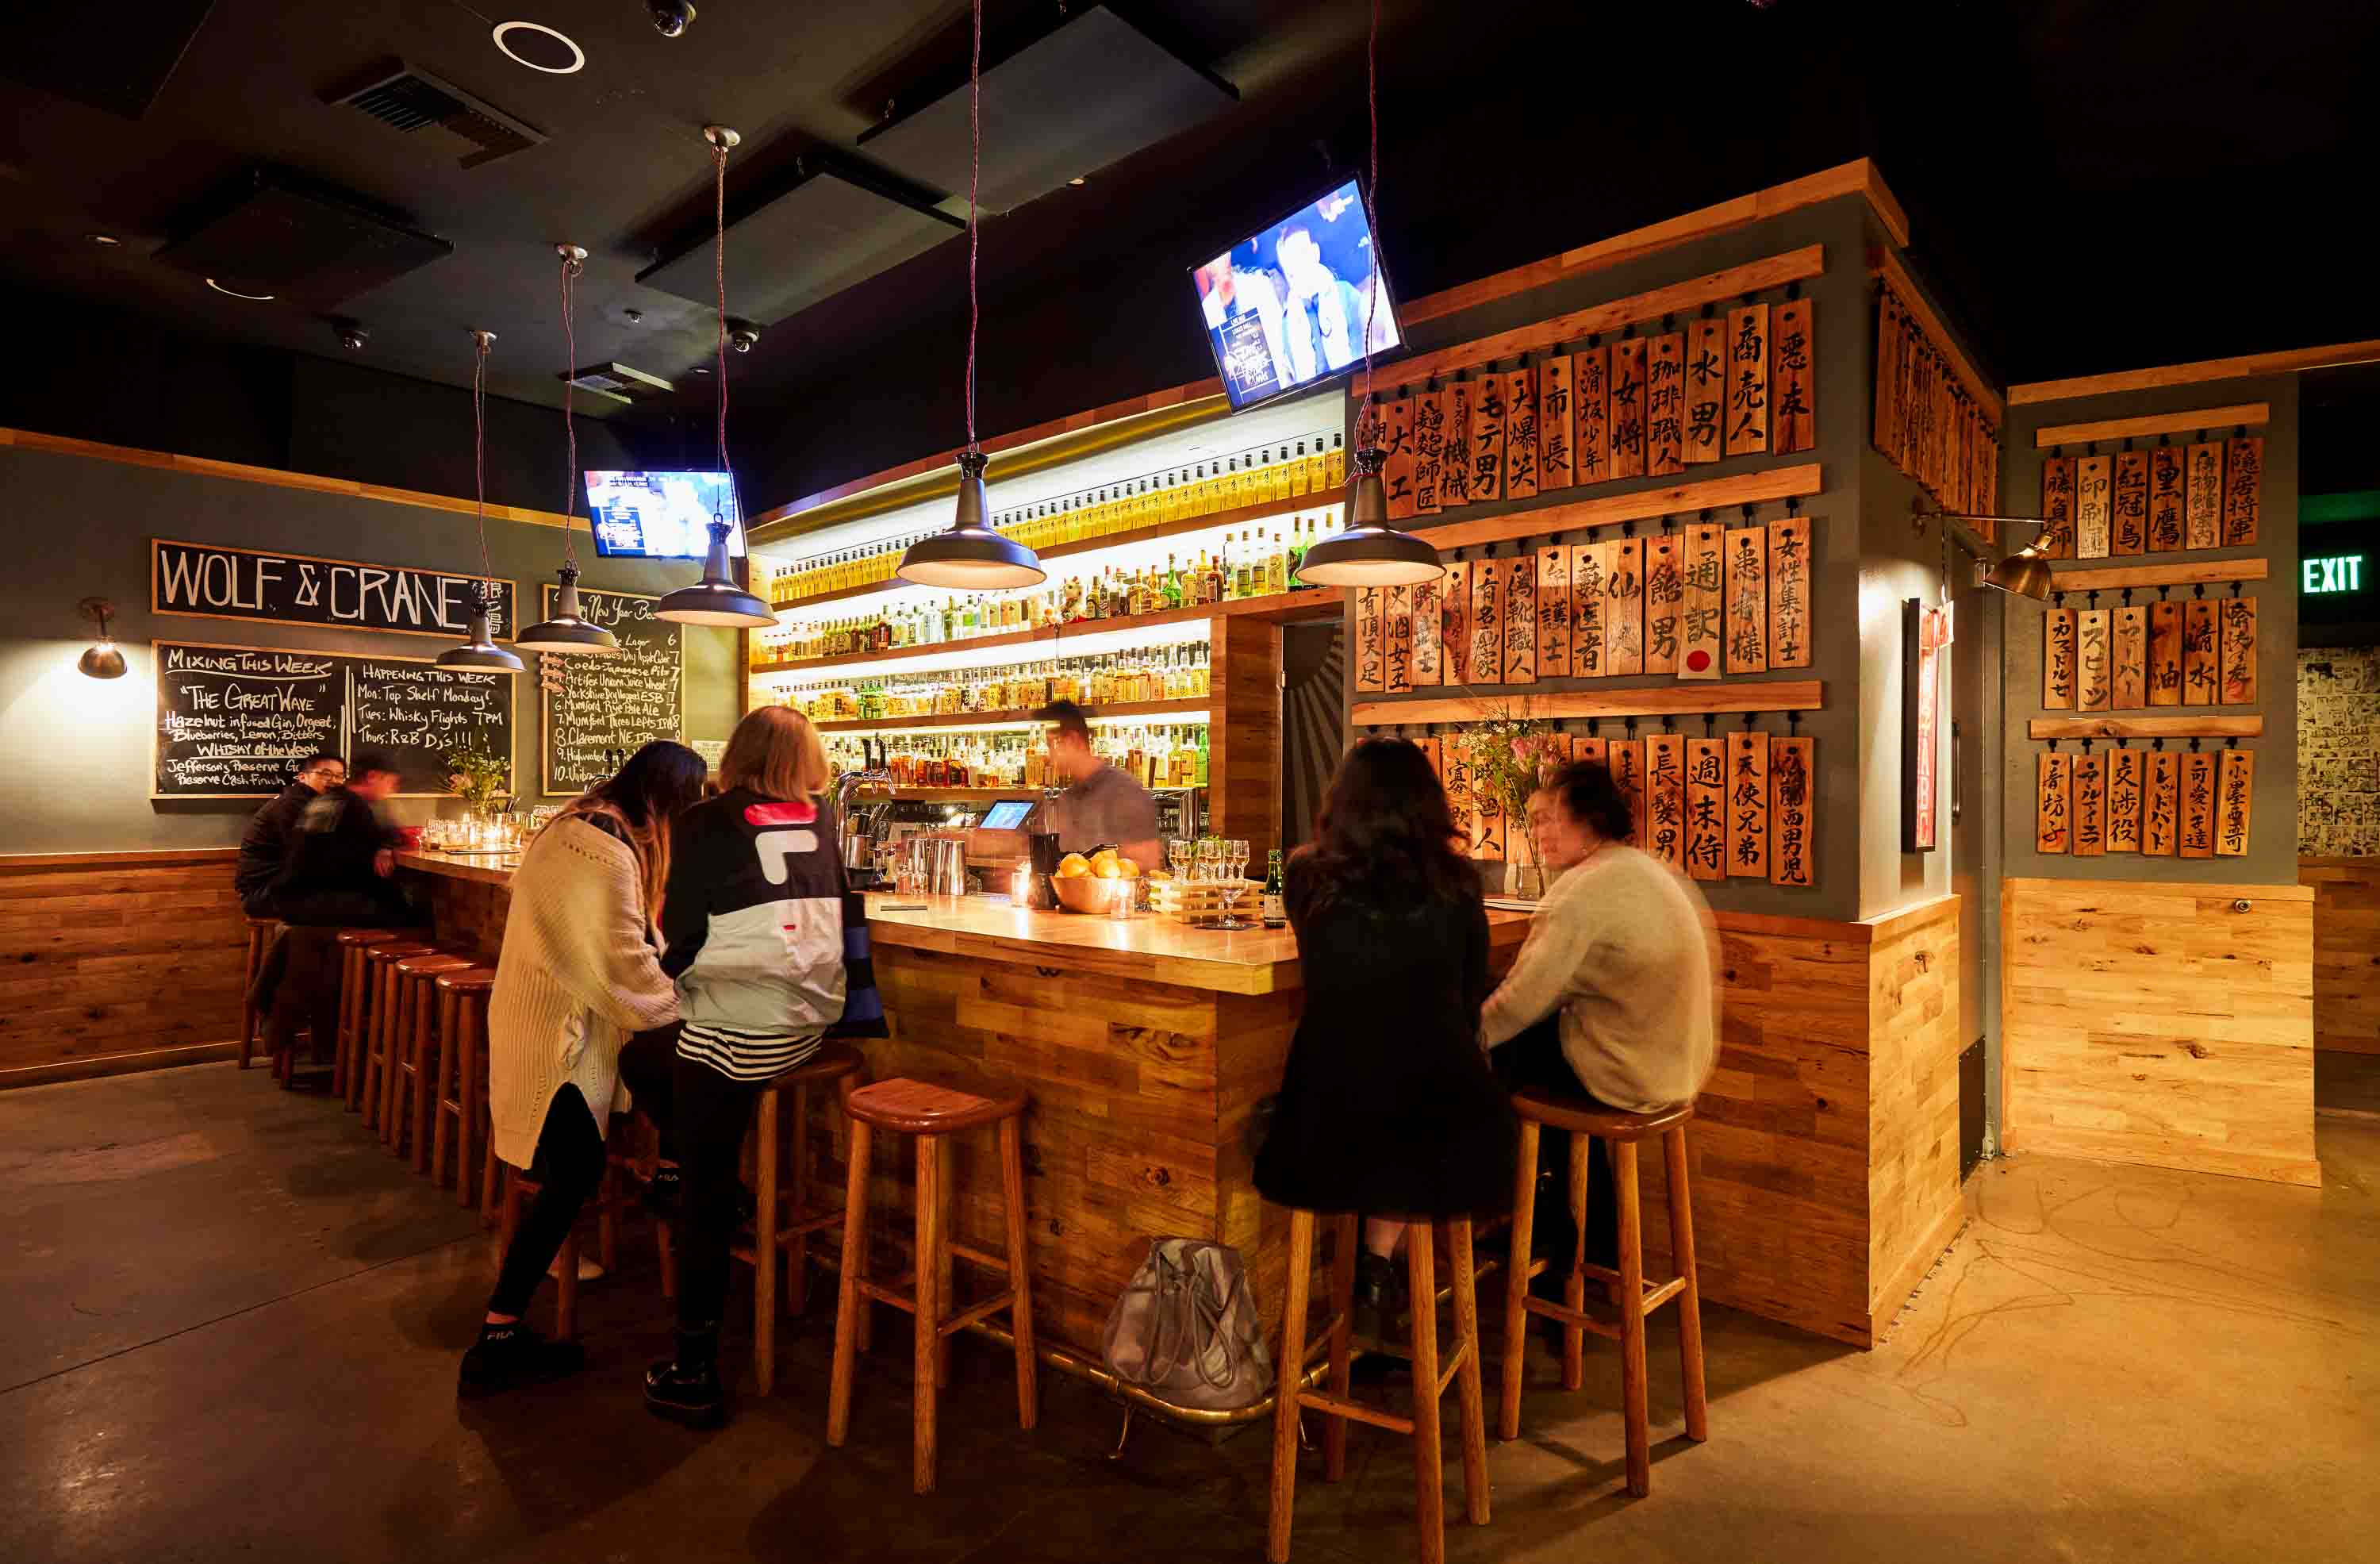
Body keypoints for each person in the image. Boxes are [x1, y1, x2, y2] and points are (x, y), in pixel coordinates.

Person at [459, 741, 708, 1398]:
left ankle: (500, 1331)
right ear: (667, 803)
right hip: (553, 1038)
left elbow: (628, 947)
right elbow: (624, 967)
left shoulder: (587, 826)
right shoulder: (598, 848)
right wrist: (699, 1000)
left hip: (551, 1024)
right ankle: (494, 1340)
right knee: (574, 1171)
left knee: (571, 1170)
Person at [1253, 737, 1516, 1344]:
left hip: (1324, 1125)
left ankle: (1373, 1272)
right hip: (1443, 1128)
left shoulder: (1305, 875)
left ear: (1341, 803)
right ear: (1428, 805)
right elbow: (1469, 996)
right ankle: (1378, 1267)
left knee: (1367, 1094)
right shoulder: (1459, 882)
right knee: (1415, 1101)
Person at [628, 706, 847, 1428]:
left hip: (736, 1036)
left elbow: (681, 935)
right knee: (660, 1066)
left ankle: (694, 1367)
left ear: (738, 755)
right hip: (809, 1029)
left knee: (699, 1178)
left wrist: (675, 976)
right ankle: (710, 1180)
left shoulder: (703, 821)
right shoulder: (822, 817)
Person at [1480, 759, 1720, 1276]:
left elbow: (1519, 1002)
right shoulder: (1645, 869)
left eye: (1550, 818)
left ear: (1587, 819)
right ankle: (1591, 1236)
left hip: (1627, 1075)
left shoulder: (1582, 891)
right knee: (1537, 1044)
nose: (1539, 832)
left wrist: (1460, 1039)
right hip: (1676, 1071)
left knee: (1506, 1046)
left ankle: (1541, 1218)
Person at [269, 751, 416, 929]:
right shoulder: (355, 805)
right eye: (391, 782)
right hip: (316, 899)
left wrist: (385, 846)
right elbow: (382, 847)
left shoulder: (331, 798)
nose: (393, 789)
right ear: (373, 777)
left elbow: (382, 836)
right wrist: (386, 847)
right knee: (414, 913)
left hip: (293, 896)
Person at [1035, 699, 1161, 873]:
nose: (1048, 756)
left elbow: (1148, 864)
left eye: (1052, 745)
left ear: (1072, 740)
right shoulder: (1064, 799)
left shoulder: (1124, 792)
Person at [236, 751, 344, 917]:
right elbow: (313, 856)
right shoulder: (292, 806)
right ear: (302, 777)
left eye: (339, 776)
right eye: (325, 774)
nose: (334, 781)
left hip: (284, 887)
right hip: (264, 895)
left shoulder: (317, 804)